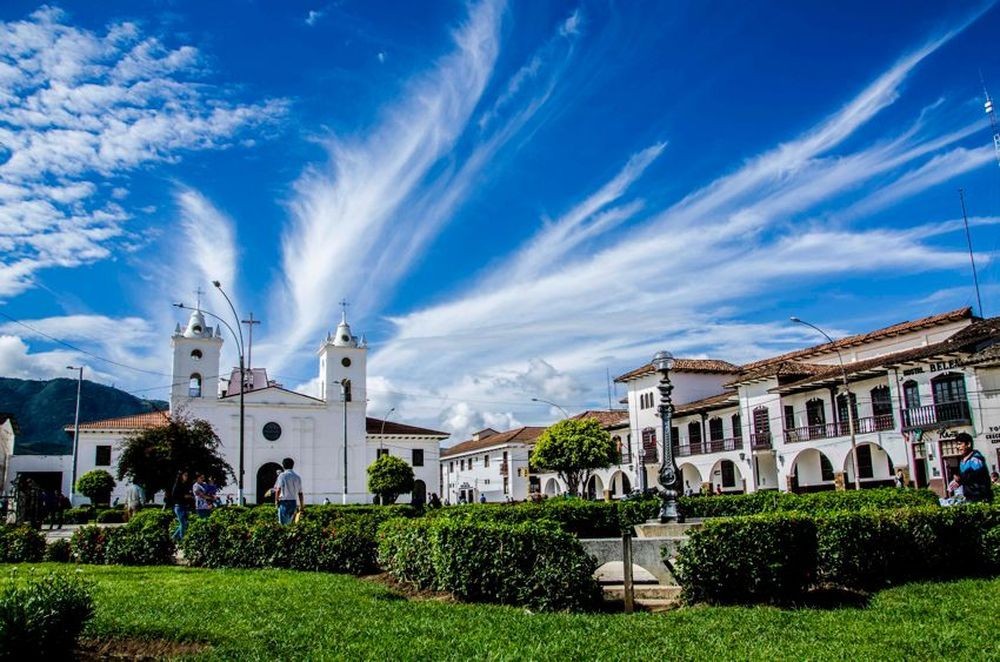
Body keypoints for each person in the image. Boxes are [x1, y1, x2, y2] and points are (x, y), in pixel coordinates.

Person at [957, 432, 993, 503]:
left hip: (980, 498)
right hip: (970, 497)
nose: (958, 447)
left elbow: (975, 478)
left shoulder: (976, 459)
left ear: (968, 444)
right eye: (957, 444)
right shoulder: (962, 461)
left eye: (960, 444)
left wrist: (960, 479)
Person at [273, 457, 304, 526]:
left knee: (283, 524)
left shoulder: (282, 476)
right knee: (292, 524)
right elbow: (300, 493)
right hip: (293, 502)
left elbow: (278, 489)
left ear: (283, 466)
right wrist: (301, 506)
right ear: (293, 465)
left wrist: (276, 500)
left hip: (284, 502)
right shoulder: (297, 477)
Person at [170, 470, 191, 541]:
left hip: (185, 506)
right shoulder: (177, 485)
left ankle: (173, 537)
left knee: (185, 523)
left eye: (187, 475)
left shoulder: (185, 485)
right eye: (185, 475)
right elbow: (174, 495)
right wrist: (184, 496)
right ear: (181, 476)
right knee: (183, 524)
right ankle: (182, 539)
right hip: (179, 506)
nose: (186, 477)